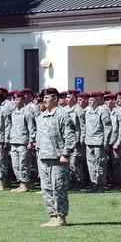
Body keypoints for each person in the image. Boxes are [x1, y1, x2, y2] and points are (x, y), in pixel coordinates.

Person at [34, 88, 77, 227]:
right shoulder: (41, 117)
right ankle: (52, 215)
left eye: (47, 98)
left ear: (56, 99)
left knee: (59, 188)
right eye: (44, 98)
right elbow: (39, 138)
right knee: (47, 189)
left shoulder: (62, 115)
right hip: (44, 158)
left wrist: (66, 154)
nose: (44, 100)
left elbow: (70, 136)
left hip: (58, 159)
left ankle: (61, 217)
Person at [82, 91, 113, 193]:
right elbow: (84, 126)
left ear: (98, 100)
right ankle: (94, 183)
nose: (89, 102)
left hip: (99, 142)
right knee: (90, 164)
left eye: (92, 100)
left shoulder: (103, 110)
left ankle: (101, 184)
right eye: (89, 100)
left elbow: (108, 127)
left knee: (100, 164)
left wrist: (106, 142)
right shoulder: (87, 111)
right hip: (89, 142)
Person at [7, 90, 37, 192]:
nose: (15, 101)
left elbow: (31, 128)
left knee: (24, 164)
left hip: (24, 142)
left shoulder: (27, 112)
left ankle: (25, 184)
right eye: (14, 99)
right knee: (16, 165)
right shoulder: (14, 113)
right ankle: (20, 183)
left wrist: (31, 141)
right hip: (14, 142)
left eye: (18, 99)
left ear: (23, 100)